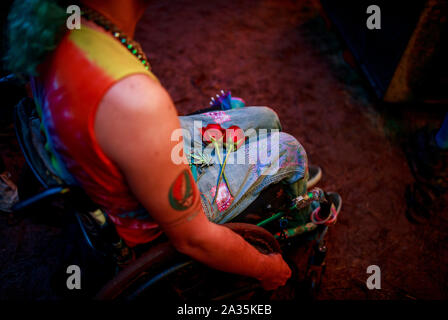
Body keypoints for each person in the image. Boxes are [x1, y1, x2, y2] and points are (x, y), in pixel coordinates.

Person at [5, 0, 339, 291]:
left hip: (129, 153)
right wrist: (268, 269)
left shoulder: (52, 27)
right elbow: (193, 239)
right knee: (288, 148)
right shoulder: (133, 100)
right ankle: (299, 213)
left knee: (266, 118)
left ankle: (266, 180)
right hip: (151, 205)